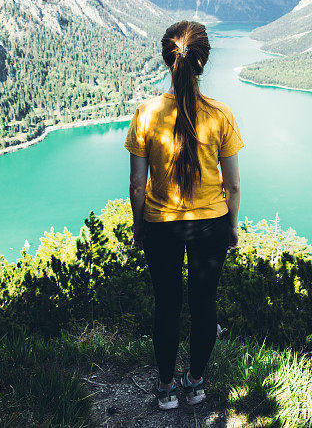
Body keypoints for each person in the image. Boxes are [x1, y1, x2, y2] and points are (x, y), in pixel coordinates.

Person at [124, 20, 243, 410]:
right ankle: (194, 383)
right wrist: (232, 225)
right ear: (203, 61)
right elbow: (234, 185)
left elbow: (137, 186)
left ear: (166, 59)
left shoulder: (146, 113)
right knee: (204, 304)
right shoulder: (221, 115)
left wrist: (140, 226)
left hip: (162, 224)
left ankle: (164, 388)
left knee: (167, 305)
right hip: (210, 225)